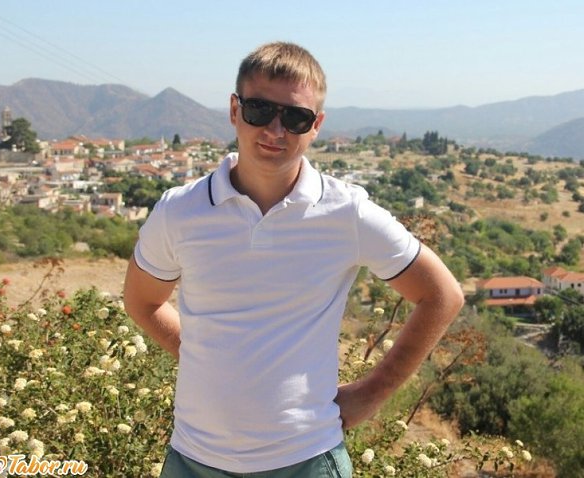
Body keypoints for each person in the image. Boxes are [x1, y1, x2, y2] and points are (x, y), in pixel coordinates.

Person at [123, 41, 464, 478]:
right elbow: (142, 302)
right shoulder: (180, 211)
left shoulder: (345, 213)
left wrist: (372, 393)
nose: (275, 130)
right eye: (260, 110)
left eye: (296, 118)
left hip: (306, 460)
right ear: (234, 110)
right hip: (193, 459)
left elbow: (442, 295)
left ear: (316, 125)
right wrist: (199, 356)